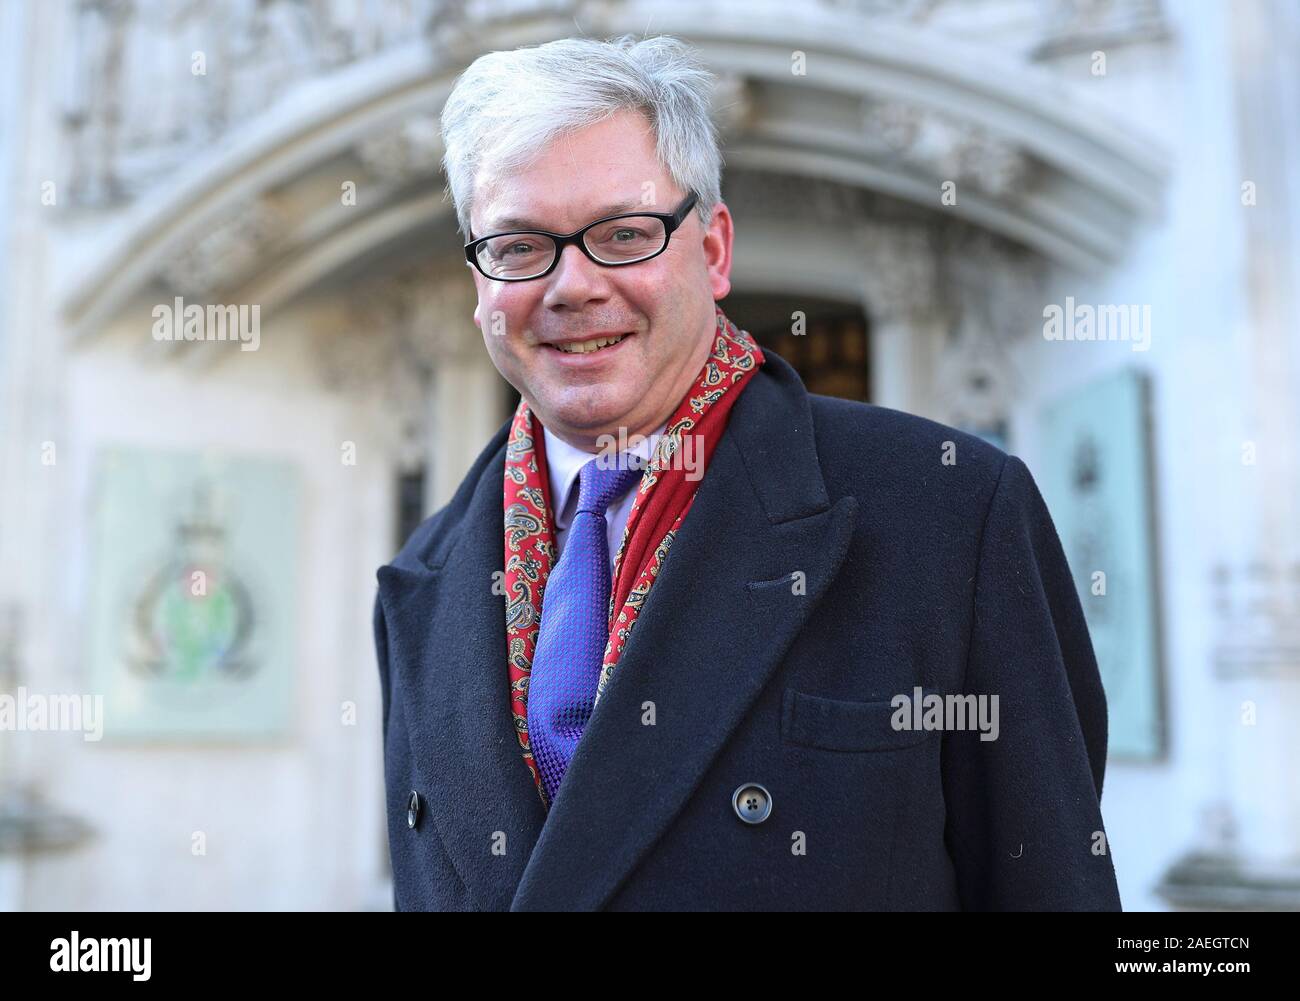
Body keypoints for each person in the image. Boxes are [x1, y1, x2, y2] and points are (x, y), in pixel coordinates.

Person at [374, 34, 1121, 911]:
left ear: (715, 249)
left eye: (623, 233)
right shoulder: (424, 574)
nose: (571, 285)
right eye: (518, 246)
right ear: (480, 284)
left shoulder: (952, 515)